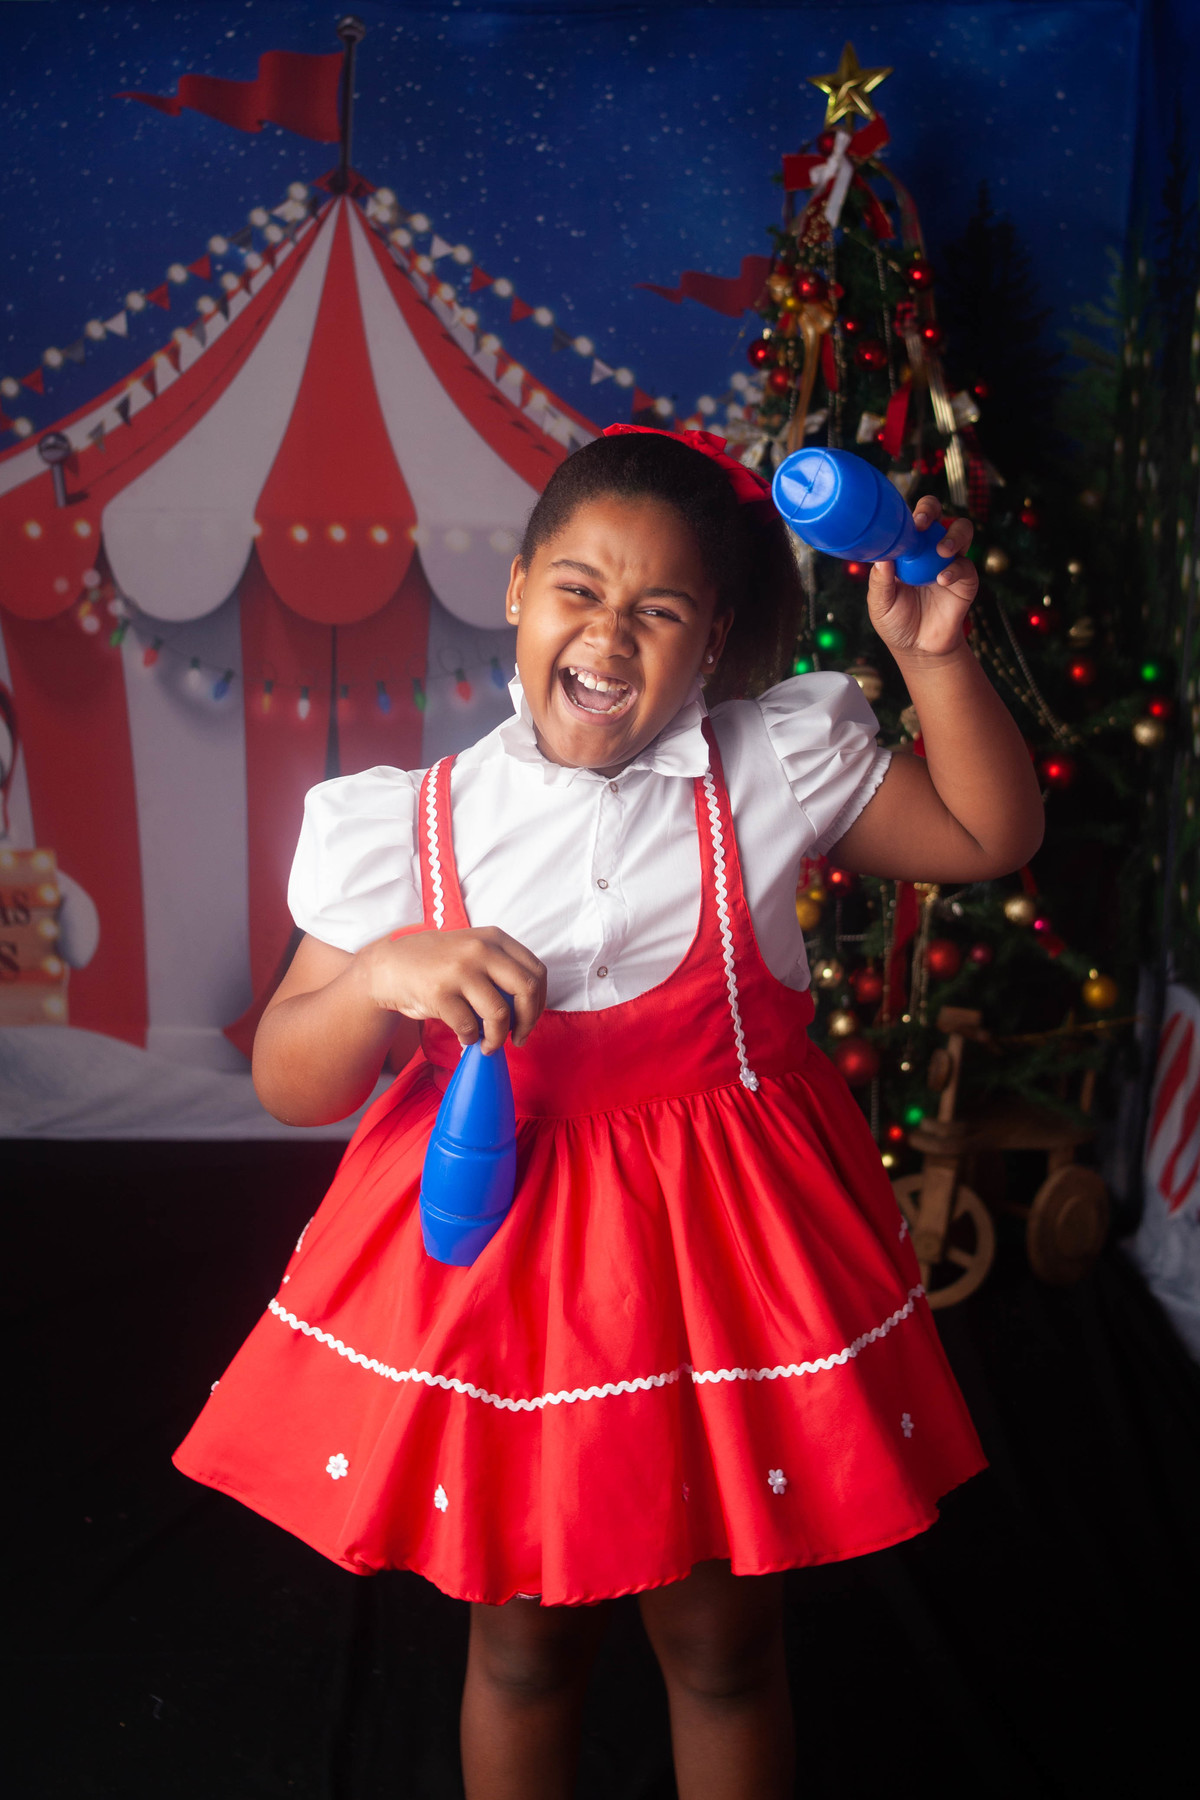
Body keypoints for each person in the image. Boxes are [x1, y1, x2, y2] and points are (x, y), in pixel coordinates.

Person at [174, 427, 1043, 1800]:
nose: (610, 634)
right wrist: (385, 977)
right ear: (517, 591)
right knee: (522, 1649)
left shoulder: (770, 769)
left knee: (722, 1646)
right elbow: (296, 1079)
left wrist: (936, 653)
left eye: (660, 609)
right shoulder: (403, 827)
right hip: (506, 1271)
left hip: (722, 1268)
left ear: (715, 638)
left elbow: (991, 838)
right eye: (579, 588)